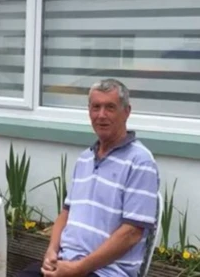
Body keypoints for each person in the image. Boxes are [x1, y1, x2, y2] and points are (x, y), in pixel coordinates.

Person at [16, 79, 160, 277]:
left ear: (126, 112)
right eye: (96, 107)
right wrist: (51, 251)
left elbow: (131, 233)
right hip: (65, 264)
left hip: (106, 272)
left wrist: (79, 268)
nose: (101, 115)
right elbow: (66, 213)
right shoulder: (85, 158)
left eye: (110, 107)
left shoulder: (141, 162)